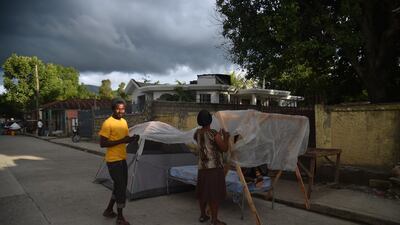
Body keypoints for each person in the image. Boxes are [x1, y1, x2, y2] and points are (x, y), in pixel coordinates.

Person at [99, 98, 139, 225]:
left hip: (122, 159)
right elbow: (102, 143)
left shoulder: (124, 122)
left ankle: (109, 210)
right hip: (112, 160)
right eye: (118, 108)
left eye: (123, 109)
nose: (121, 111)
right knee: (121, 187)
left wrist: (132, 139)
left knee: (119, 186)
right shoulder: (108, 123)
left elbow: (125, 138)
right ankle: (120, 218)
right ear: (113, 108)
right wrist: (122, 141)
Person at [193, 109, 230, 225]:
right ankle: (214, 220)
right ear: (210, 120)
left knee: (203, 192)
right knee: (214, 194)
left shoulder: (197, 133)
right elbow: (224, 148)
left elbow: (206, 145)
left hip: (202, 168)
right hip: (214, 168)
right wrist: (226, 137)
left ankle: (203, 215)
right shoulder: (214, 133)